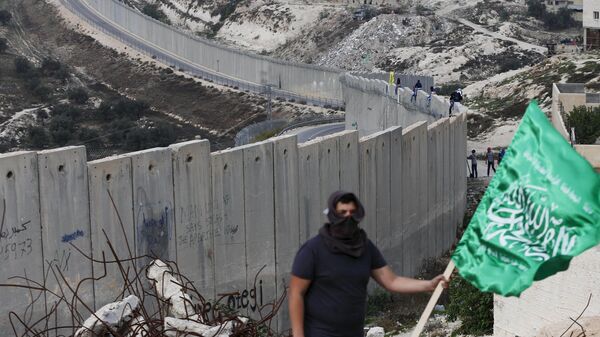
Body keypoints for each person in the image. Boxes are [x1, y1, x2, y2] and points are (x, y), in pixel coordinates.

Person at [289, 191, 449, 337]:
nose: (348, 217)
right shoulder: (312, 251)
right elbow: (296, 293)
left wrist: (429, 285)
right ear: (332, 215)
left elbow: (391, 281)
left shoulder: (364, 247)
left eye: (352, 212)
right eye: (342, 213)